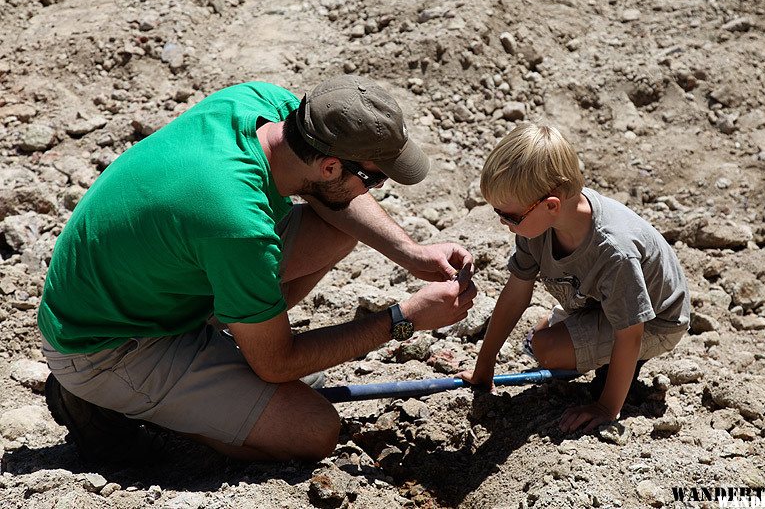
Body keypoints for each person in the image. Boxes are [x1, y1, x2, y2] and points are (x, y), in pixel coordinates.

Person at [38, 76, 477, 463]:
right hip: (103, 345)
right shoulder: (238, 227)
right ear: (328, 165)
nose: (374, 189)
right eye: (374, 179)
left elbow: (338, 201)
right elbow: (276, 363)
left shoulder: (262, 104)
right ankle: (108, 405)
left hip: (145, 288)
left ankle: (233, 337)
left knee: (339, 226)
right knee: (313, 429)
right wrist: (404, 320)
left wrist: (410, 253)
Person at [461, 123, 689, 433]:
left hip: (655, 321)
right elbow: (516, 293)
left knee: (548, 351)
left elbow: (630, 331)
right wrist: (483, 367)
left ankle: (620, 374)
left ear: (551, 205)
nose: (504, 223)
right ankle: (601, 355)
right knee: (537, 341)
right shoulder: (538, 225)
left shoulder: (614, 251)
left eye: (510, 216)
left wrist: (606, 408)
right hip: (600, 303)